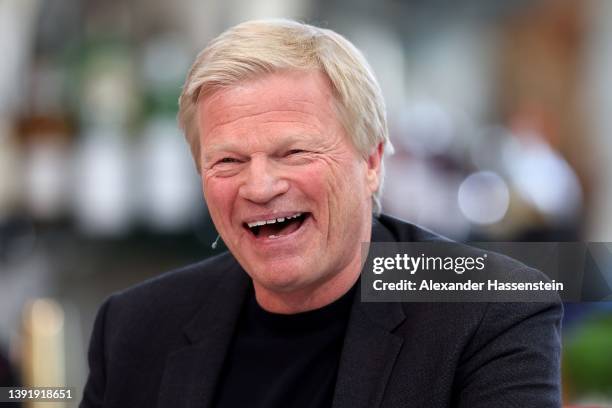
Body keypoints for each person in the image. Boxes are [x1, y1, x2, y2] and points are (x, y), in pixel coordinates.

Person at [80, 19, 562, 408]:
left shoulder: (490, 310)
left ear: (371, 161)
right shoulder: (135, 327)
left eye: (294, 152)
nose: (260, 186)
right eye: (228, 161)